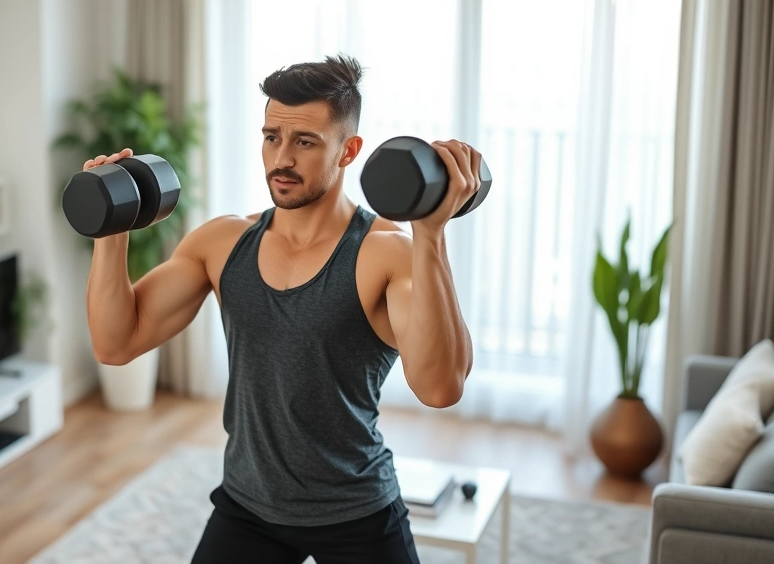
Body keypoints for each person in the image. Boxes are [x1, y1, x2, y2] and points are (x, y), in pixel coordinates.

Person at [84, 54, 480, 564]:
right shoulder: (223, 242)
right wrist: (110, 232)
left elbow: (440, 387)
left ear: (348, 150)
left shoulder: (385, 253)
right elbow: (116, 344)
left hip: (355, 510)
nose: (281, 158)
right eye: (272, 136)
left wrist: (430, 234)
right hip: (248, 506)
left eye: (305, 141)